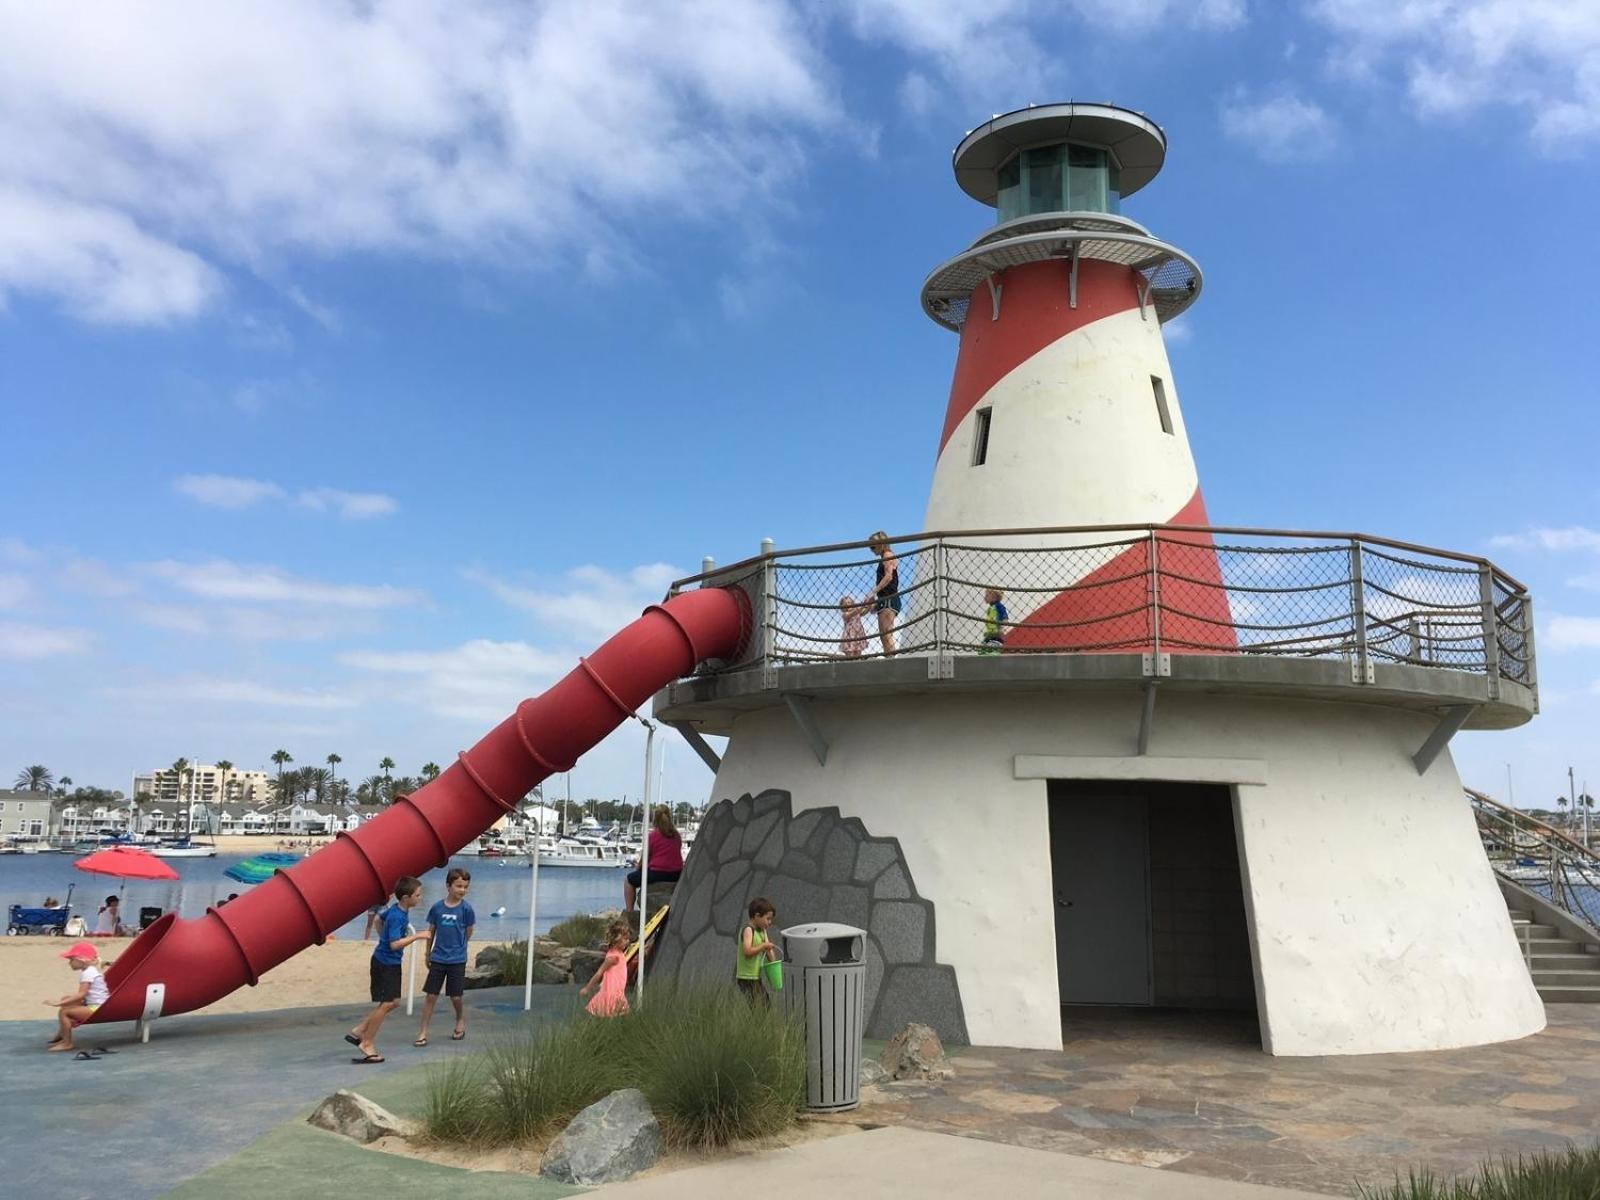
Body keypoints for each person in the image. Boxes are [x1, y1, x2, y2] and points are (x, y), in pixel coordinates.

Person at [345, 877, 429, 1064]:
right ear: (406, 898)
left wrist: (383, 936)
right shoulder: (398, 916)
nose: (420, 898)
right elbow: (394, 944)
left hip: (389, 962)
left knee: (394, 1002)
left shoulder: (396, 910)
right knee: (386, 1003)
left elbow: (377, 921)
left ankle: (359, 1029)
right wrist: (417, 936)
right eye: (418, 895)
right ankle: (366, 1042)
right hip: (385, 963)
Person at [414, 868, 475, 1047]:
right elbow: (431, 931)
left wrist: (460, 948)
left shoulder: (467, 909)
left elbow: (468, 931)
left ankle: (459, 1020)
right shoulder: (437, 908)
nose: (462, 890)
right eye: (458, 886)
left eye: (465, 887)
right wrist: (427, 952)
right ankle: (423, 1032)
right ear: (448, 886)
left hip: (457, 959)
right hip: (438, 958)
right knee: (430, 996)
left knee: (455, 996)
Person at [44, 941, 109, 1053]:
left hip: (97, 1008)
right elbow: (84, 996)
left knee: (64, 1012)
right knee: (66, 999)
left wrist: (58, 1004)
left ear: (81, 960)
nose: (69, 963)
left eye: (71, 960)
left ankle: (67, 1043)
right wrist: (65, 1001)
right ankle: (62, 1035)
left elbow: (81, 994)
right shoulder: (90, 971)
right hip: (97, 1004)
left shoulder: (87, 973)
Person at [623, 806, 683, 912]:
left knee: (629, 880)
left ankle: (629, 911)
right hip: (676, 874)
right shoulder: (676, 835)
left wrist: (638, 867)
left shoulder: (653, 835)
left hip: (658, 873)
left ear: (655, 819)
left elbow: (645, 857)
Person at [580, 920, 631, 1018]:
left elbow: (612, 972)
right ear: (617, 939)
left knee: (618, 1017)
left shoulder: (619, 953)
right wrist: (587, 988)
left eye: (628, 939)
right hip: (612, 994)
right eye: (625, 939)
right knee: (615, 1017)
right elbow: (599, 973)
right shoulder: (612, 957)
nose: (627, 941)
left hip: (618, 992)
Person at [735, 896, 780, 1007]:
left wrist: (768, 948)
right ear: (757, 916)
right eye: (767, 919)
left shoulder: (761, 932)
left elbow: (771, 958)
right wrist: (763, 945)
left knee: (765, 1004)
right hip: (746, 977)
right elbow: (747, 951)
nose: (769, 922)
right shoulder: (748, 930)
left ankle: (759, 1023)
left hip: (755, 976)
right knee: (758, 1006)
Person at [865, 532, 900, 657]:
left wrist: (872, 592)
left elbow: (889, 576)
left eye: (873, 546)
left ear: (881, 544)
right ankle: (889, 658)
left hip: (889, 598)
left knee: (886, 633)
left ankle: (891, 661)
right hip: (884, 598)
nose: (871, 550)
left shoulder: (887, 555)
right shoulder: (884, 556)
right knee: (884, 634)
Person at [980, 587, 1008, 654]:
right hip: (990, 634)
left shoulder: (998, 606)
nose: (985, 597)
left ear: (994, 597)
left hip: (996, 634)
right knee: (982, 652)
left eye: (987, 595)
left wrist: (1001, 628)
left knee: (992, 652)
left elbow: (1004, 617)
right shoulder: (990, 608)